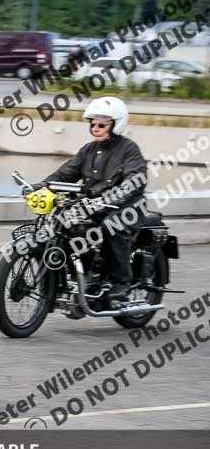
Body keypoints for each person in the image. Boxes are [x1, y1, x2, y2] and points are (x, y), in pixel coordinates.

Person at [24, 96, 147, 302]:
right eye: (93, 124)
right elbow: (65, 173)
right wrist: (42, 186)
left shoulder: (128, 149)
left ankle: (121, 283)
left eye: (101, 124)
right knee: (63, 226)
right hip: (94, 206)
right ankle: (77, 276)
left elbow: (136, 179)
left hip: (126, 207)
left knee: (111, 226)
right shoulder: (88, 150)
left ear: (116, 124)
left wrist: (116, 197)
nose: (95, 128)